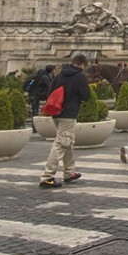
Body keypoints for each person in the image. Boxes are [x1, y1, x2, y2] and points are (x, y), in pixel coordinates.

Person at [39, 53, 92, 189]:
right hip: (69, 114)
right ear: (82, 65)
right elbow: (86, 96)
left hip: (56, 113)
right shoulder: (79, 77)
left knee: (68, 141)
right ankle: (47, 176)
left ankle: (69, 172)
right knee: (61, 143)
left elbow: (49, 93)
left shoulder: (59, 76)